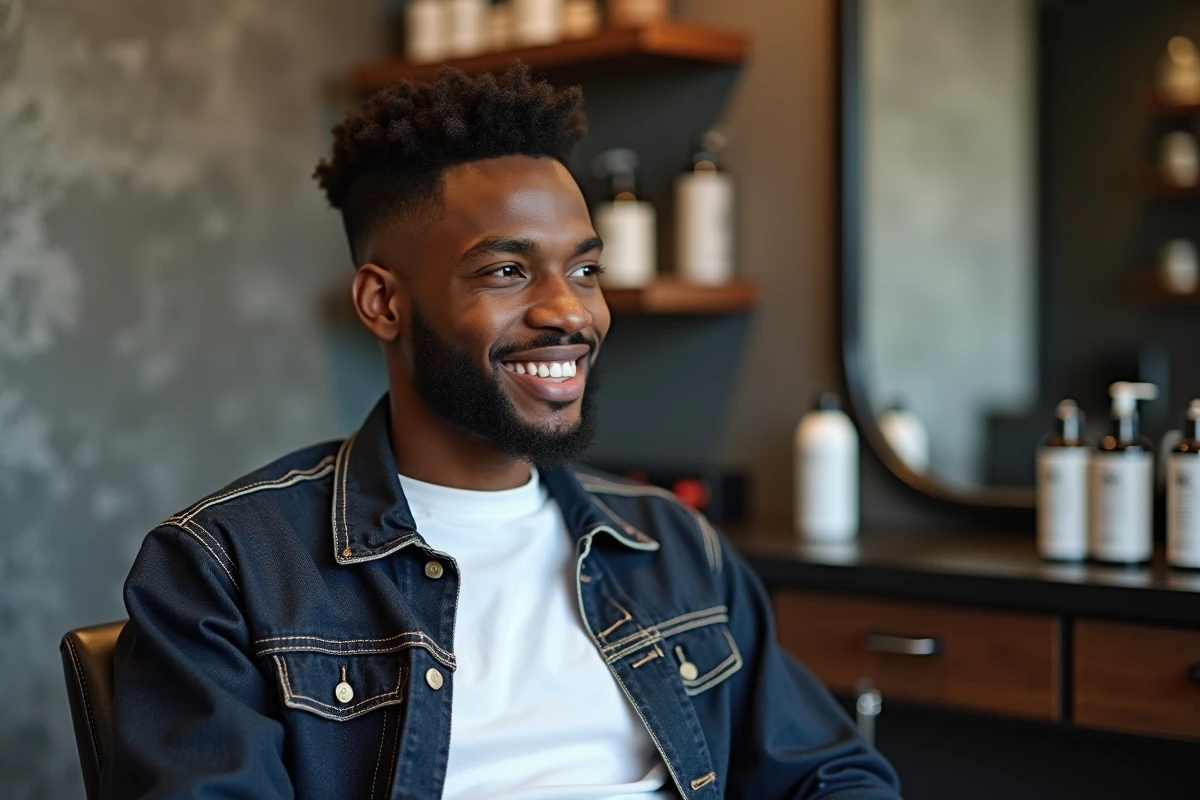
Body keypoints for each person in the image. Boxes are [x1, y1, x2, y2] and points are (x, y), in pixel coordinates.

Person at [103, 64, 901, 800]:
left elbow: (832, 774)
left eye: (585, 269)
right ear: (384, 303)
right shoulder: (224, 571)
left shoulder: (671, 546)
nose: (570, 311)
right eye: (507, 271)